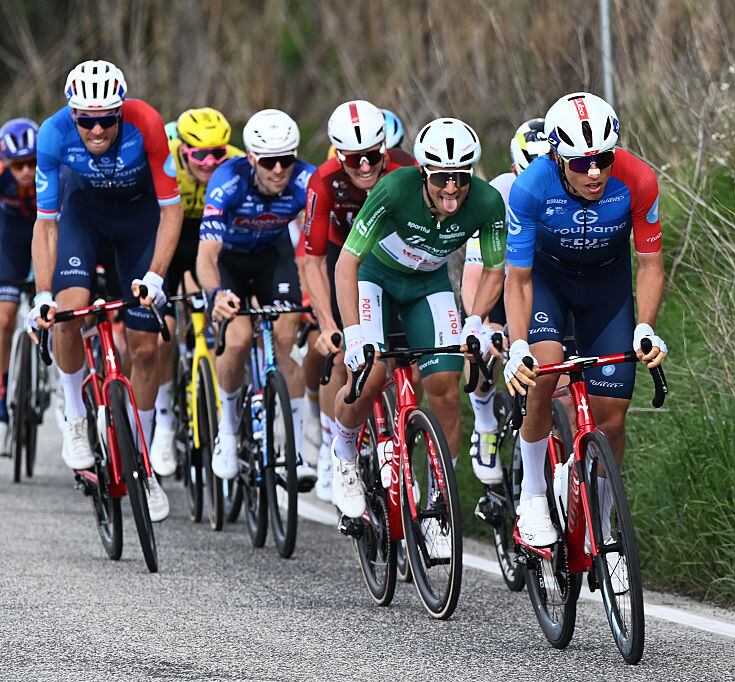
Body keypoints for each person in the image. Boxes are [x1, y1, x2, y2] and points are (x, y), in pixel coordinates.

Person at [330, 117, 506, 558]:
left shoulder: (487, 202)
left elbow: (495, 269)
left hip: (429, 285)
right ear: (424, 172)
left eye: (461, 177)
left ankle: (438, 505)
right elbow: (347, 263)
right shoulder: (394, 189)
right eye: (442, 177)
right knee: (370, 374)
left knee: (445, 386)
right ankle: (344, 454)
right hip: (376, 279)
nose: (452, 188)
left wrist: (475, 321)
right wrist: (354, 335)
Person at [502, 92, 667, 547]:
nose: (594, 173)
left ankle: (604, 526)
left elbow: (650, 264)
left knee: (611, 417)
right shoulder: (530, 188)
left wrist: (646, 326)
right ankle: (533, 494)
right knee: (541, 373)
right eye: (580, 163)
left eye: (603, 159)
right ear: (557, 156)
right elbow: (518, 279)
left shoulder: (639, 180)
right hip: (548, 284)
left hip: (606, 290)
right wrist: (518, 346)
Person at [29, 59, 182, 521]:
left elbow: (171, 210)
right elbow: (47, 225)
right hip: (84, 218)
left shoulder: (147, 123)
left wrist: (155, 277)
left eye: (107, 119)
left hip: (139, 221)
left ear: (121, 111)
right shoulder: (53, 134)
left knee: (146, 349)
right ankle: (76, 416)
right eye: (86, 121)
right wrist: (42, 295)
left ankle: (142, 465)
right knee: (68, 314)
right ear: (72, 114)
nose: (97, 130)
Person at [303, 99, 416, 501]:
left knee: (414, 365)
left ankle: (406, 447)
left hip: (397, 264)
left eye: (372, 155)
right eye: (354, 159)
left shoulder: (407, 170)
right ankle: (335, 443)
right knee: (342, 357)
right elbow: (314, 260)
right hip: (345, 263)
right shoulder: (323, 181)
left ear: (384, 147)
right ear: (338, 154)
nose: (365, 166)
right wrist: (327, 324)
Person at [197, 109, 316, 486]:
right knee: (237, 339)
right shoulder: (227, 181)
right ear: (251, 158)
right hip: (229, 262)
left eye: (286, 159)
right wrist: (216, 294)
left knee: (285, 339)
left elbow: (320, 245)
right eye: (268, 161)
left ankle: (295, 449)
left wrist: (319, 294)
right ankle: (228, 430)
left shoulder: (306, 180)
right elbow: (206, 255)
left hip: (272, 259)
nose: (279, 169)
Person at [149, 108, 243, 476]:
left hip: (214, 242)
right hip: (172, 239)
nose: (209, 162)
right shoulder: (163, 162)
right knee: (163, 336)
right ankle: (165, 420)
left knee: (232, 319)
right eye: (200, 154)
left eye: (217, 153)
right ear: (182, 149)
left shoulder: (237, 163)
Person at [460, 117, 548, 484]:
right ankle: (485, 424)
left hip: (541, 286)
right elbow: (475, 275)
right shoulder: (497, 195)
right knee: (480, 346)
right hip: (498, 282)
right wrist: (483, 326)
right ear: (514, 170)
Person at [0, 118, 39, 451]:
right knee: (4, 318)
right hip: (10, 240)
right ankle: (2, 392)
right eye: (18, 165)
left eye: (32, 162)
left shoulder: (54, 169)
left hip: (45, 234)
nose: (26, 171)